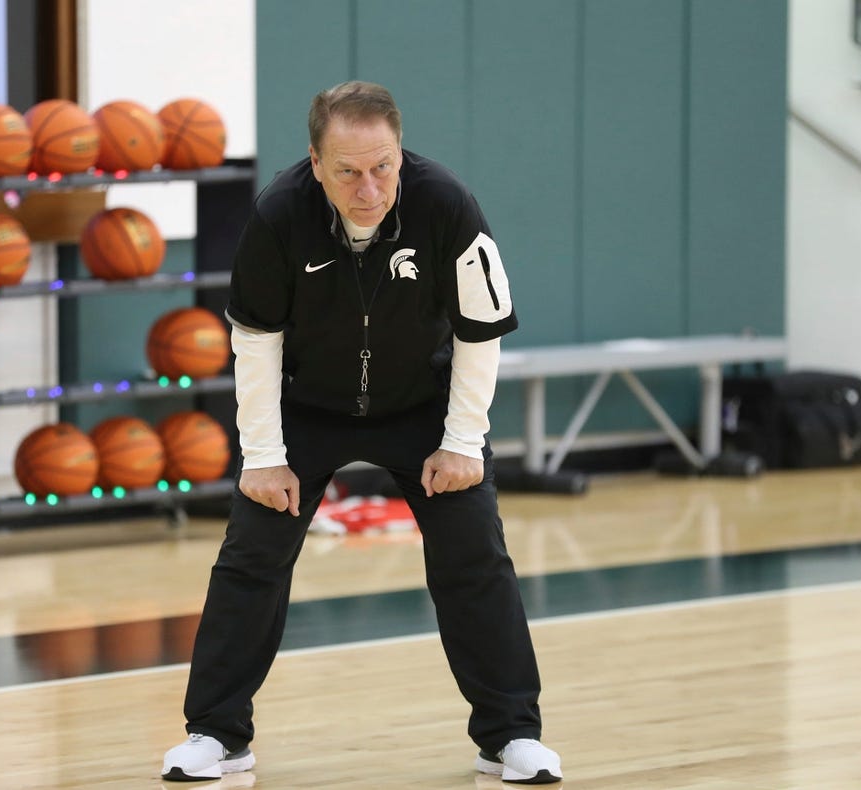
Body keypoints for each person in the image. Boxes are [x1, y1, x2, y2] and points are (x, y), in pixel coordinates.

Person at [162, 80, 562, 785]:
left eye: (383, 166)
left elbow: (481, 331)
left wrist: (463, 441)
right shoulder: (279, 216)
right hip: (308, 408)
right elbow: (254, 341)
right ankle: (217, 736)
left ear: (401, 154)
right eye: (347, 171)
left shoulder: (447, 205)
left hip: (422, 407)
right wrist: (262, 456)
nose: (369, 187)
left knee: (475, 554)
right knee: (250, 559)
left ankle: (509, 737)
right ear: (314, 163)